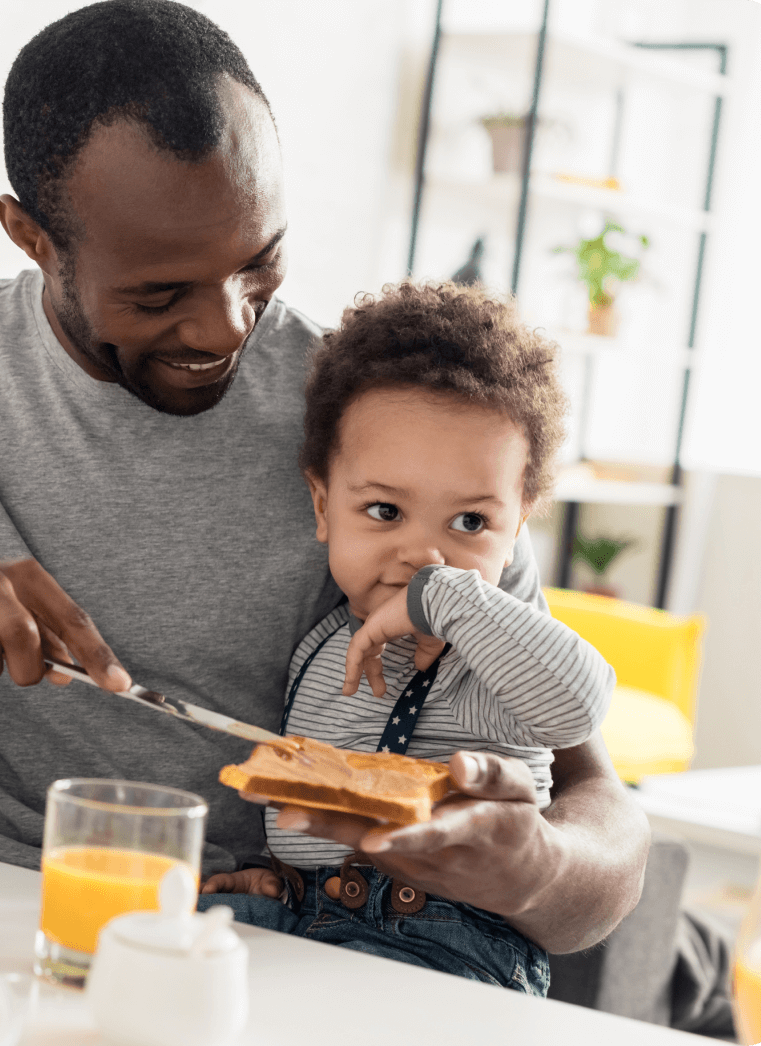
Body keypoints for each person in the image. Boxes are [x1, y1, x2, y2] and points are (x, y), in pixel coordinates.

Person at [0, 0, 649, 957]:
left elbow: (598, 822)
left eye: (259, 262)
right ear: (32, 237)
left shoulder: (380, 419)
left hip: (271, 942)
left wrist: (534, 868)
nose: (226, 327)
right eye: (159, 293)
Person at [197, 281, 618, 991]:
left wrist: (447, 598)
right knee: (167, 935)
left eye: (470, 523)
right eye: (385, 511)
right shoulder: (319, 646)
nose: (424, 555)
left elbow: (581, 705)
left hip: (452, 942)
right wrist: (277, 877)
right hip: (311, 913)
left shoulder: (494, 654)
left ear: (518, 528)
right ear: (322, 506)